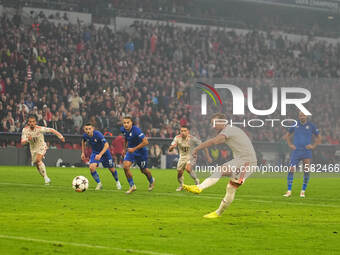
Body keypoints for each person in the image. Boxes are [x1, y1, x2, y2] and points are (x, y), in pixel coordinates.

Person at [183, 113, 257, 218]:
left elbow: (214, 141)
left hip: (247, 163)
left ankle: (217, 211)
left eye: (215, 123)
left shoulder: (229, 130)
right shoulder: (229, 130)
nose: (213, 126)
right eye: (212, 123)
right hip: (240, 160)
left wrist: (196, 148)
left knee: (231, 187)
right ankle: (199, 188)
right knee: (222, 172)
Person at [283, 111, 321, 198]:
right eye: (300, 115)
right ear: (299, 116)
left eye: (303, 115)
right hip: (296, 151)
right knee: (291, 169)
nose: (302, 117)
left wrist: (313, 146)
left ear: (306, 116)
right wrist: (290, 145)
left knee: (306, 170)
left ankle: (303, 191)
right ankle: (289, 191)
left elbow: (319, 137)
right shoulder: (295, 125)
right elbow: (287, 135)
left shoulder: (311, 126)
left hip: (306, 151)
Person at [21, 114, 65, 184]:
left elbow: (51, 130)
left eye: (33, 121)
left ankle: (46, 178)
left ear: (35, 122)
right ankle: (46, 177)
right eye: (30, 122)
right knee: (37, 164)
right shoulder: (25, 130)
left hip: (41, 146)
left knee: (38, 160)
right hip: (33, 149)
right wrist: (27, 140)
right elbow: (22, 143)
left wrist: (61, 136)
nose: (32, 123)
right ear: (28, 122)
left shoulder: (39, 129)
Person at [168, 126, 212, 191]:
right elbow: (170, 149)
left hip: (191, 156)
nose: (183, 132)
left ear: (188, 132)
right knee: (179, 173)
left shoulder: (192, 139)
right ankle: (181, 185)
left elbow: (203, 146)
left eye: (184, 131)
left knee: (188, 169)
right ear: (180, 132)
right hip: (182, 157)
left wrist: (208, 156)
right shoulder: (177, 138)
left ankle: (197, 180)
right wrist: (172, 147)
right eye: (181, 131)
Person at [81, 123, 121, 190]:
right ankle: (99, 184)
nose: (88, 130)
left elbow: (107, 145)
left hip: (105, 153)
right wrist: (82, 153)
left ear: (93, 129)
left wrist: (100, 154)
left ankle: (117, 182)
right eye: (86, 129)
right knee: (91, 168)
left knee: (111, 169)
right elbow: (83, 142)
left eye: (89, 129)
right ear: (84, 130)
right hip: (95, 153)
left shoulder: (98, 134)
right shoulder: (85, 135)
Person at [120, 116, 155, 194]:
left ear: (131, 123)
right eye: (124, 123)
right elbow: (126, 138)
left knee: (144, 170)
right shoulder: (123, 129)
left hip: (141, 152)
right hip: (131, 151)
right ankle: (132, 186)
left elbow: (146, 142)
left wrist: (134, 149)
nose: (126, 124)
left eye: (128, 122)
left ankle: (151, 180)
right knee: (125, 167)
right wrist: (124, 149)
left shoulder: (137, 130)